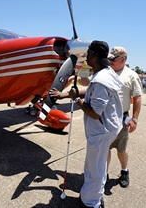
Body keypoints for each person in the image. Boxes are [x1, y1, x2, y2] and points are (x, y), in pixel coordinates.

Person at [50, 40, 123, 208]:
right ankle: (94, 195)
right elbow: (91, 89)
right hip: (109, 129)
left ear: (95, 56)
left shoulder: (101, 80)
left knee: (94, 170)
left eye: (88, 53)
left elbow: (95, 113)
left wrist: (75, 98)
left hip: (101, 131)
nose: (86, 56)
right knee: (97, 166)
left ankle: (92, 203)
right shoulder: (107, 72)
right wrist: (65, 95)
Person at [106, 47, 142, 189]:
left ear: (123, 59)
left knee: (121, 150)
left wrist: (134, 119)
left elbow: (137, 98)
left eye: (113, 59)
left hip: (122, 119)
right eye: (109, 59)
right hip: (106, 118)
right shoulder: (106, 72)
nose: (110, 61)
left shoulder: (131, 75)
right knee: (105, 149)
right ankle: (105, 174)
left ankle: (124, 171)